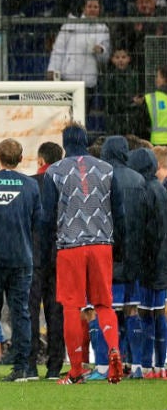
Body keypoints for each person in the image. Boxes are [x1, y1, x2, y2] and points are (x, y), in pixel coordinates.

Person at [40, 123, 124, 384]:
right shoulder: (107, 169)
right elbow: (119, 213)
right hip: (102, 244)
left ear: (65, 143)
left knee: (71, 307)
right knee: (103, 304)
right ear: (86, 141)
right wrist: (118, 246)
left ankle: (76, 370)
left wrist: (46, 252)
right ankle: (113, 349)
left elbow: (46, 217)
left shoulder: (54, 171)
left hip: (70, 247)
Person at [0, 138, 43, 382]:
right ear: (21, 158)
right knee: (21, 312)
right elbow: (38, 222)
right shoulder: (31, 186)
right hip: (21, 257)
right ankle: (22, 367)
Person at [94, 136, 145, 381]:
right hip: (134, 257)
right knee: (132, 310)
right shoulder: (139, 180)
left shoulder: (101, 177)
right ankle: (135, 364)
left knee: (104, 309)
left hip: (107, 254)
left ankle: (104, 364)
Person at [127, 147, 167, 379]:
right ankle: (159, 365)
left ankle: (143, 364)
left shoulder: (144, 192)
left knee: (143, 313)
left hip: (148, 263)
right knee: (158, 312)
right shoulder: (161, 190)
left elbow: (143, 231)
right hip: (161, 262)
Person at [29, 141, 65, 380]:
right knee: (56, 311)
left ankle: (29, 364)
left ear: (41, 161)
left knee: (29, 311)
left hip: (33, 254)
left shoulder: (30, 184)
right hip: (59, 254)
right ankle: (54, 366)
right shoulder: (65, 184)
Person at [46, 0, 110, 91]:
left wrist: (101, 50)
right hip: (68, 80)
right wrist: (52, 69)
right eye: (90, 6)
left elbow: (105, 57)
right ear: (84, 8)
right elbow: (58, 49)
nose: (92, 9)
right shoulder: (70, 24)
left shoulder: (103, 29)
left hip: (89, 82)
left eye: (96, 7)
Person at [102, 48, 148, 140]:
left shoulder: (135, 75)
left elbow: (140, 94)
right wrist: (130, 102)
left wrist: (139, 101)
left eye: (123, 57)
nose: (120, 60)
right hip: (115, 120)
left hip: (133, 119)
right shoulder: (109, 77)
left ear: (129, 59)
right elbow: (109, 101)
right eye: (117, 57)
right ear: (112, 59)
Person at [116, 0, 166, 68]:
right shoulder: (130, 20)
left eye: (148, 1)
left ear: (154, 2)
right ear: (136, 4)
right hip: (137, 62)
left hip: (160, 60)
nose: (144, 4)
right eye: (141, 2)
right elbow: (125, 42)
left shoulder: (162, 18)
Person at [146, 65, 167, 145]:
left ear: (165, 79)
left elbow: (143, 124)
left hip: (157, 144)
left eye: (158, 77)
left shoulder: (150, 99)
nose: (156, 80)